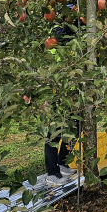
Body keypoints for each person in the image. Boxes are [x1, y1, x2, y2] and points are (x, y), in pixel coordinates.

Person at [44, 21, 78, 186]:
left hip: (75, 91)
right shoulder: (55, 28)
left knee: (74, 130)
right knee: (55, 133)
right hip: (59, 90)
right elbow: (60, 36)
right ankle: (52, 172)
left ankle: (62, 163)